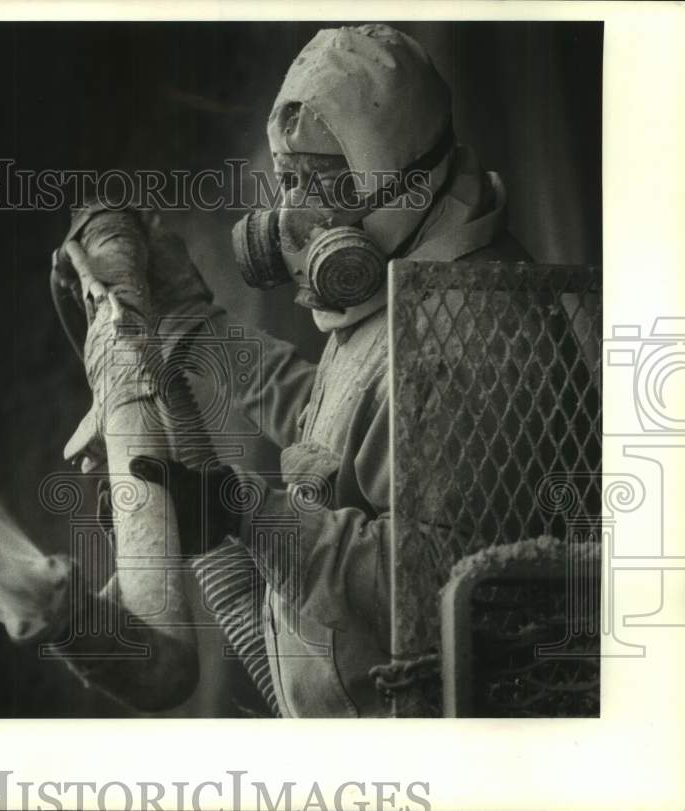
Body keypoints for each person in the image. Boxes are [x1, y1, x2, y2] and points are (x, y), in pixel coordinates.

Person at [63, 24, 537, 717]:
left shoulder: (474, 328)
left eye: (326, 186)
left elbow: (435, 582)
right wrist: (192, 323)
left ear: (402, 181)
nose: (291, 219)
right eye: (288, 180)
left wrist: (241, 512)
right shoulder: (411, 286)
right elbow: (333, 419)